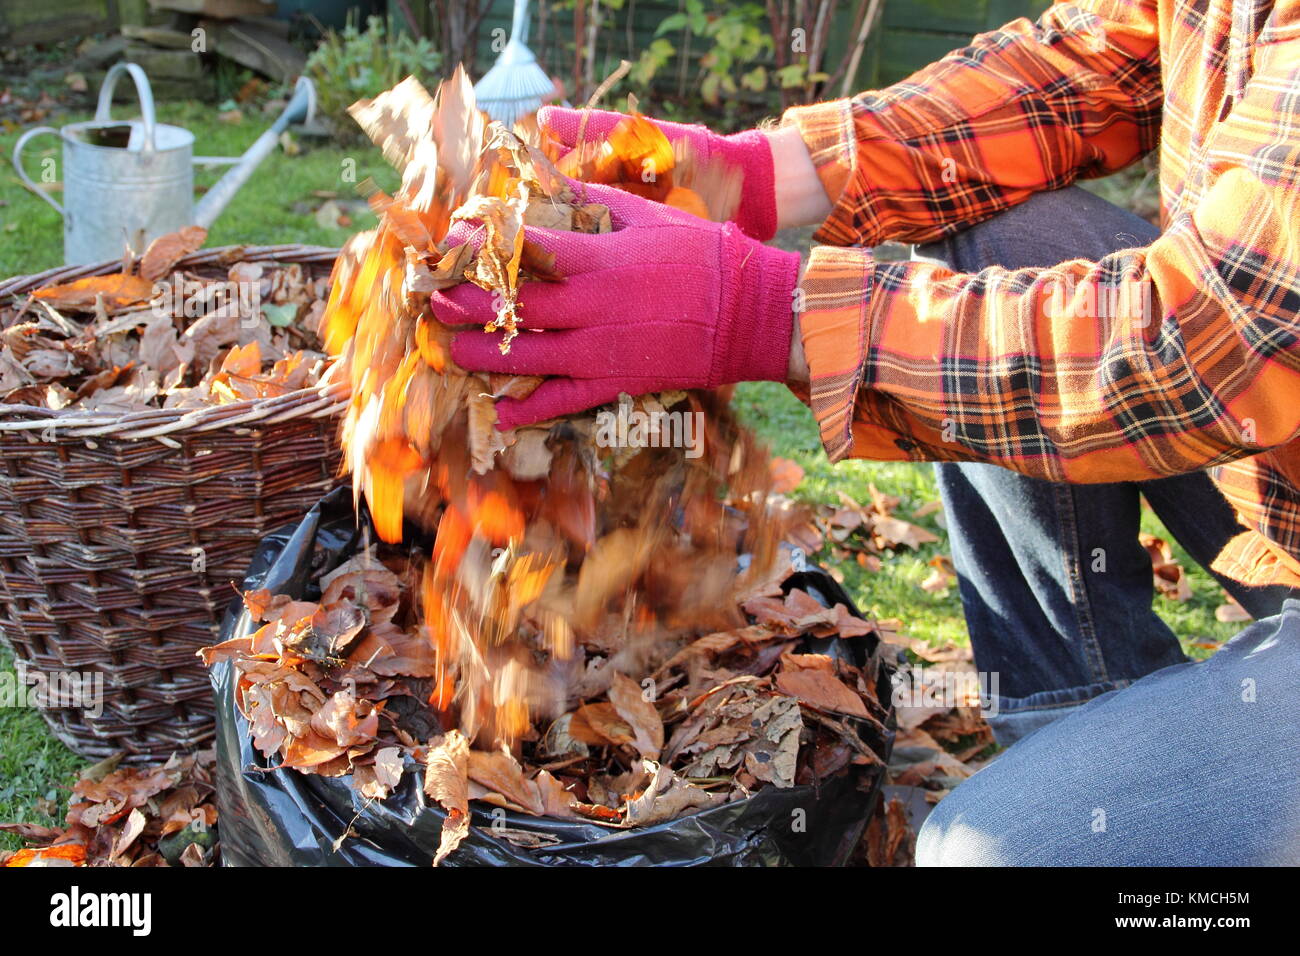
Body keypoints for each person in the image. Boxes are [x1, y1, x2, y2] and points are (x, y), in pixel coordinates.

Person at [434, 0, 1300, 865]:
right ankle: (1090, 734)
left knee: (994, 852)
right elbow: (1079, 70)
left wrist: (772, 315)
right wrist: (750, 171)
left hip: (1237, 377)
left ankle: (1132, 819)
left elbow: (1214, 343)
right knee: (1002, 221)